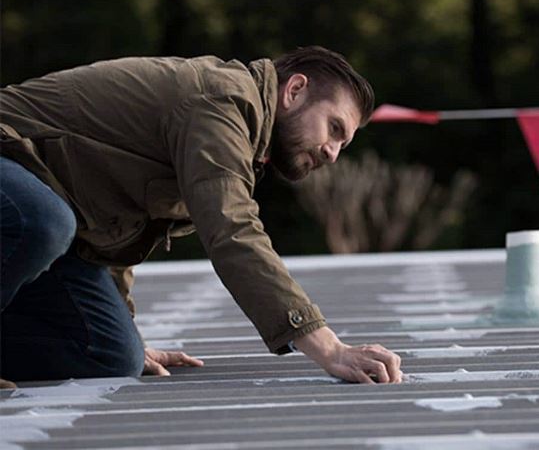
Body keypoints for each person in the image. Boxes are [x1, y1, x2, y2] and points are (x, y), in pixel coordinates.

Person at [0, 46, 402, 388]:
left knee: (110, 355)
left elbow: (113, 225)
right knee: (42, 220)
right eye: (333, 129)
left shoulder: (245, 139)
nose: (332, 152)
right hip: (10, 162)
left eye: (342, 144)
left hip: (39, 198)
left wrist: (128, 329)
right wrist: (327, 346)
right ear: (294, 91)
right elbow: (232, 230)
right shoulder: (223, 100)